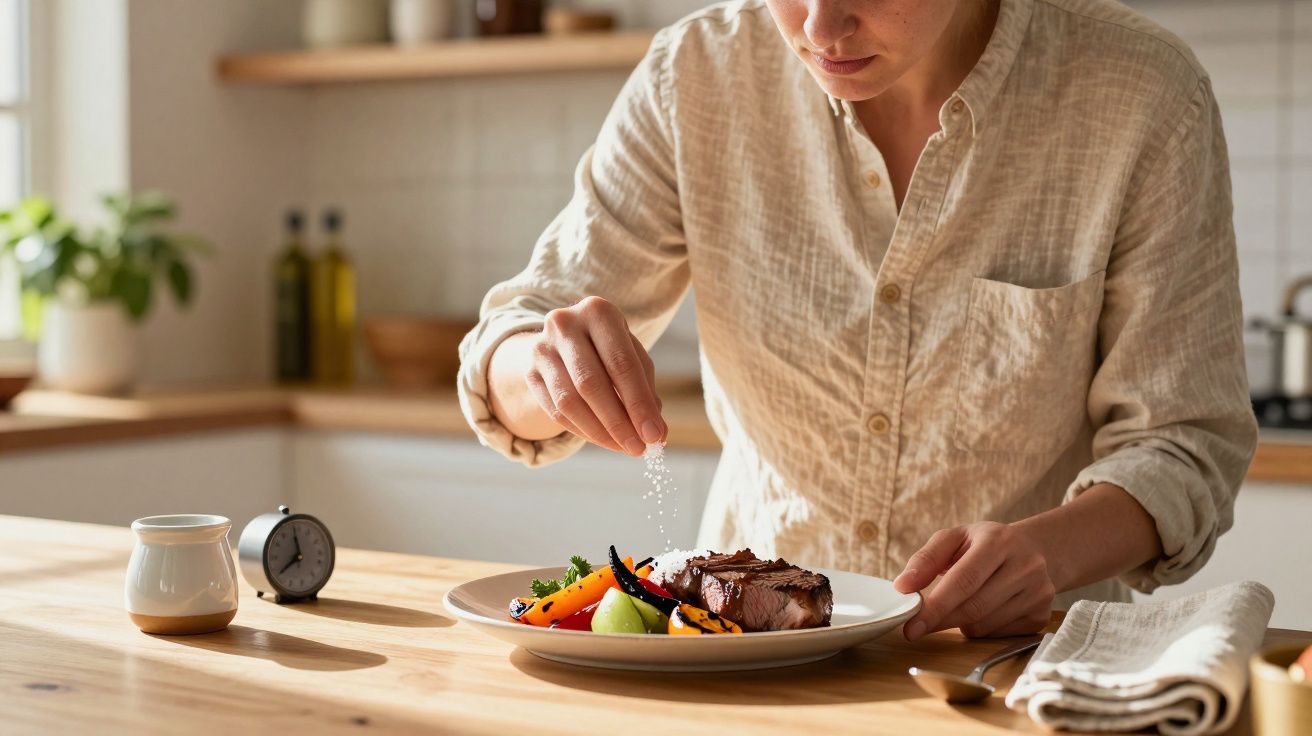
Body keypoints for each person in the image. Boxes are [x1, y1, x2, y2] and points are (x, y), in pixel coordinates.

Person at [457, 0, 1257, 640]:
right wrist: (543, 366)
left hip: (1010, 670)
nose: (820, 26)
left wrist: (1047, 550)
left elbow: (1183, 445)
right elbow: (512, 341)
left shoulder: (1141, 93)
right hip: (743, 665)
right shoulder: (695, 76)